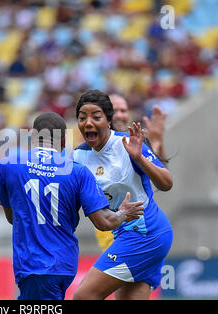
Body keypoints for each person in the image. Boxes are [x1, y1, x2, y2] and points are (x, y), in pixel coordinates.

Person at [0, 112, 144, 300]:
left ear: (32, 137)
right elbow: (104, 222)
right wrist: (123, 213)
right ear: (63, 141)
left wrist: (19, 200)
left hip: (34, 263)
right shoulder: (78, 171)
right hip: (64, 262)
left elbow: (12, 218)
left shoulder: (9, 164)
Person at [72, 89, 173, 300]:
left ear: (108, 120)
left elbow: (166, 183)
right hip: (123, 234)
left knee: (83, 296)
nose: (88, 123)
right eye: (82, 118)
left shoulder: (127, 144)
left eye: (96, 117)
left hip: (146, 233)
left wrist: (140, 159)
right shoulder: (78, 157)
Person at [94, 93, 169, 252]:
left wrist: (156, 141)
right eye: (116, 111)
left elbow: (159, 174)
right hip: (113, 235)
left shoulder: (131, 143)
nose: (120, 115)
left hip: (137, 234)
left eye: (124, 110)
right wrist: (153, 142)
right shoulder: (93, 150)